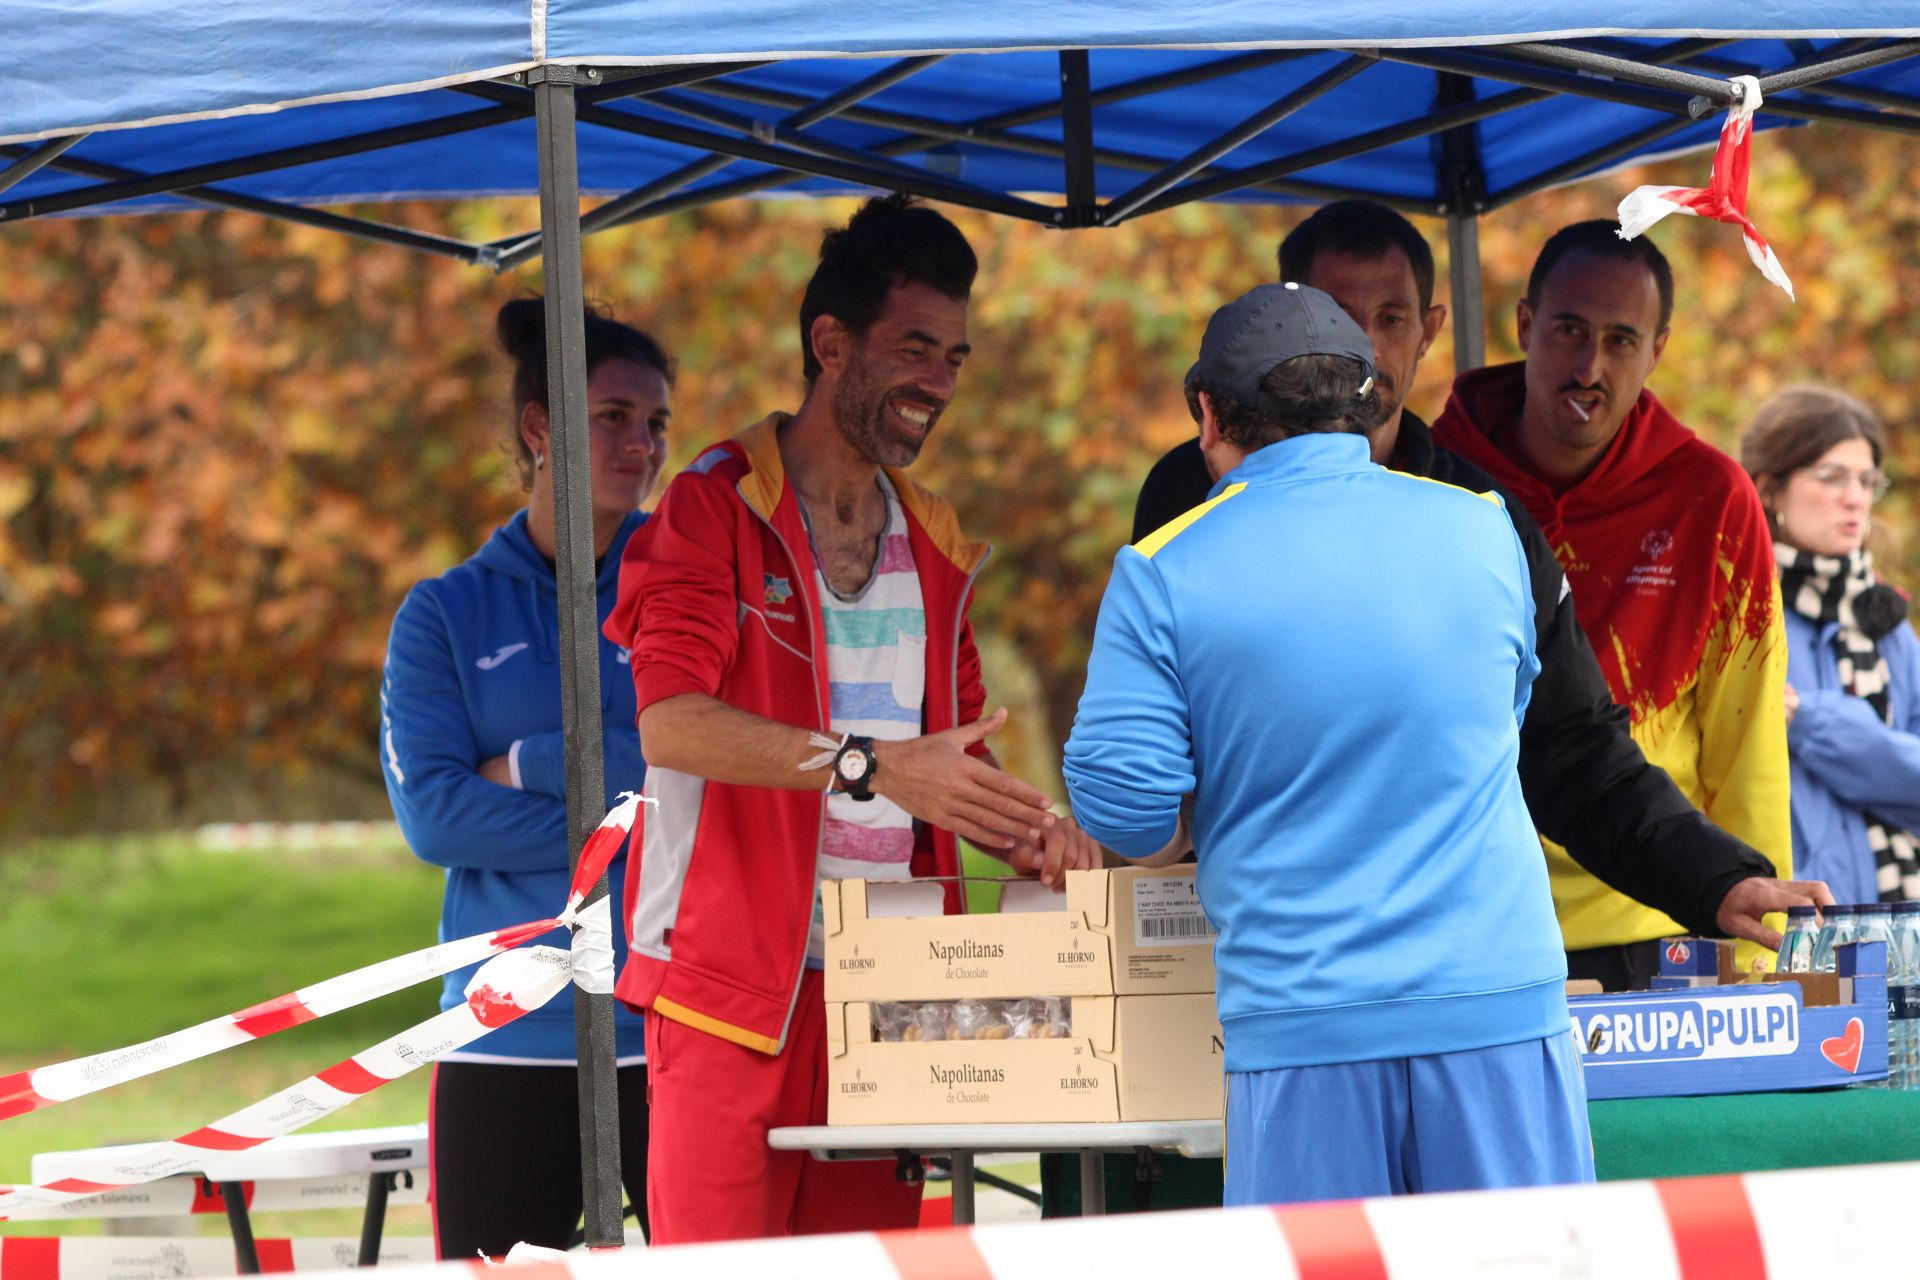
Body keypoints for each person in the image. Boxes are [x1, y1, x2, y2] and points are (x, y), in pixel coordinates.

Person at [1135, 203, 1816, 989]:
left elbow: (1572, 749)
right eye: (1335, 318)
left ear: (1427, 331)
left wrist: (1717, 878)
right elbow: (1153, 745)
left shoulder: (1484, 520)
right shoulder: (1191, 493)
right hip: (1260, 956)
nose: (1362, 348)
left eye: (1389, 318)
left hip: (1456, 960)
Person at [604, 193, 1099, 1245]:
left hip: (897, 986)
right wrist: (871, 765)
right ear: (831, 344)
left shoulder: (937, 536)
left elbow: (949, 755)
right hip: (730, 989)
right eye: (915, 347)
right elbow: (672, 724)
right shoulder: (712, 503)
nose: (939, 383)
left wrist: (1030, 830)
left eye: (956, 358)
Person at [1066, 282, 1594, 1204]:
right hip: (1499, 1006)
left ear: (1206, 416)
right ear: (1365, 402)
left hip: (1305, 1026)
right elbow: (1498, 720)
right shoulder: (1483, 527)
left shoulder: (1164, 569)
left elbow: (1129, 812)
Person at [1432, 220, 1797, 988]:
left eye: (1621, 340)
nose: (1589, 367)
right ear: (1525, 324)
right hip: (1470, 923)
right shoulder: (1437, 484)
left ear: (1659, 349)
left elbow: (1747, 740)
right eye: (1569, 330)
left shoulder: (1712, 499)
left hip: (1661, 920)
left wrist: (1765, 953)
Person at [378, 298, 670, 1257]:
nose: (643, 443)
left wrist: (529, 763)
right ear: (541, 428)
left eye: (657, 422)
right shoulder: (444, 614)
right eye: (616, 416)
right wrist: (636, 801)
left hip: (669, 1023)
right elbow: (436, 818)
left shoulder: (691, 588)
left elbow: (705, 772)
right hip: (503, 1032)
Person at [1741, 386, 1920, 903]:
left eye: (1866, 481)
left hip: (1897, 929)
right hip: (1786, 928)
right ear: (1770, 489)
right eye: (1831, 477)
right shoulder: (1738, 614)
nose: (1855, 497)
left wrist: (1812, 720)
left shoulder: (1887, 624)